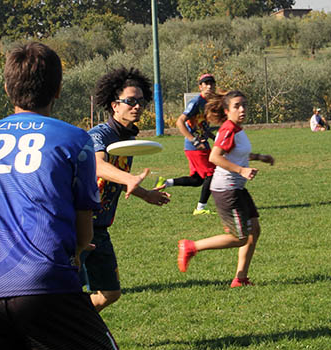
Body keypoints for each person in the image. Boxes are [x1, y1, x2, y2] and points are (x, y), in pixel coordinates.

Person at [0, 43, 133, 350]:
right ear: (58, 89)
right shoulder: (75, 140)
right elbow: (84, 237)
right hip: (48, 288)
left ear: (6, 88)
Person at [83, 67, 171, 312]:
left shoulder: (127, 140)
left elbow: (117, 180)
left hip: (100, 227)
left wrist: (145, 194)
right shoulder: (99, 134)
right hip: (76, 226)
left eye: (141, 102)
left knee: (110, 293)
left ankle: (75, 321)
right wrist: (130, 179)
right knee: (66, 291)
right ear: (115, 105)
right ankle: (66, 332)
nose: (137, 106)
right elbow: (98, 165)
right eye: (130, 101)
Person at [177, 90, 275, 287]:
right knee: (239, 238)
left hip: (237, 188)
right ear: (227, 110)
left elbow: (236, 153)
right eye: (237, 106)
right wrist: (241, 170)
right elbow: (215, 157)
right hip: (227, 189)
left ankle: (240, 278)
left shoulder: (237, 129)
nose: (242, 109)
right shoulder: (228, 129)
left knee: (254, 230)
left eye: (244, 105)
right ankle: (191, 246)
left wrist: (259, 157)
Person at [155, 73, 217, 215]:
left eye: (211, 83)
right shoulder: (195, 102)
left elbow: (201, 125)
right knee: (211, 174)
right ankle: (201, 208)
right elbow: (180, 122)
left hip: (201, 145)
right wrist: (193, 140)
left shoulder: (207, 103)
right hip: (195, 147)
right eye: (205, 83)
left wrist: (213, 137)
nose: (209, 86)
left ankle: (165, 182)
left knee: (197, 180)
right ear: (200, 87)